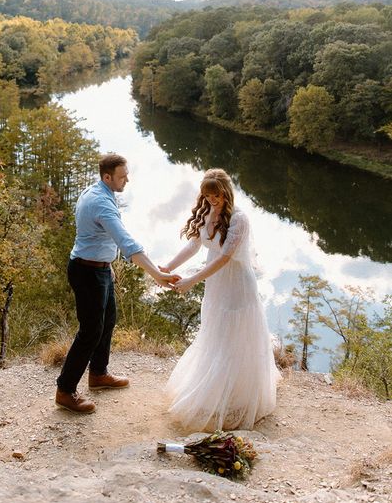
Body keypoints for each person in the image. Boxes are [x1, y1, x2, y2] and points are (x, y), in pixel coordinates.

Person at [56, 153, 178, 414]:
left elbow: (98, 237)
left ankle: (98, 374)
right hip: (86, 272)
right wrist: (157, 274)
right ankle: (65, 390)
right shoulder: (101, 202)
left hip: (100, 268)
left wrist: (108, 263)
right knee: (90, 331)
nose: (127, 180)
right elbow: (127, 243)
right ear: (107, 177)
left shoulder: (98, 192)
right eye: (123, 176)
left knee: (107, 320)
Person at [161, 168, 280, 431]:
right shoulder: (206, 212)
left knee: (234, 336)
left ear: (226, 192)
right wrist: (167, 268)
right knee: (215, 333)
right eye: (207, 196)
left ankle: (237, 394)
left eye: (216, 196)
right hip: (215, 283)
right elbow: (193, 245)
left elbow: (225, 257)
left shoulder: (239, 219)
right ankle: (214, 389)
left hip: (236, 285)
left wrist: (192, 281)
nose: (212, 201)